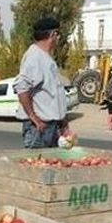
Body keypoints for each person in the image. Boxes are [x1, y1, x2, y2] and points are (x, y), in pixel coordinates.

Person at [13, 17, 68, 149]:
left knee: (52, 167)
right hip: (39, 128)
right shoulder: (35, 57)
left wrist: (63, 123)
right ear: (53, 34)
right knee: (37, 167)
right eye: (58, 34)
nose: (58, 39)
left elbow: (52, 93)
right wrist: (33, 117)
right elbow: (21, 87)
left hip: (52, 126)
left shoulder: (45, 57)